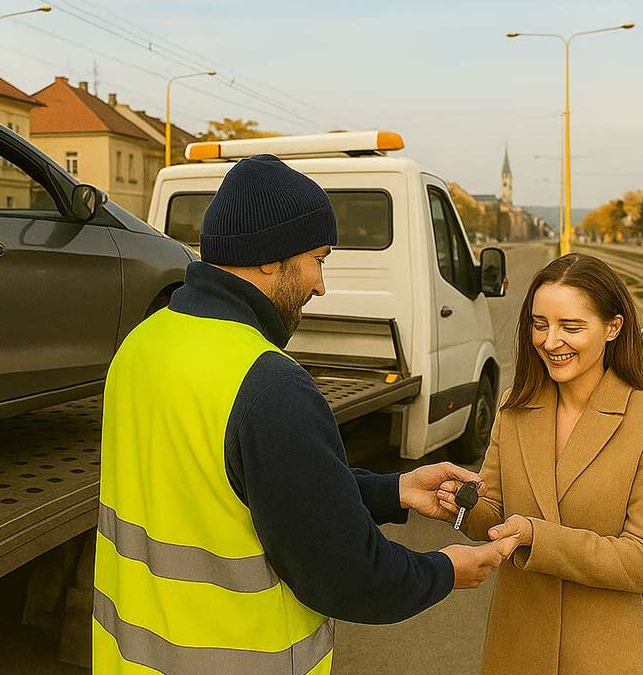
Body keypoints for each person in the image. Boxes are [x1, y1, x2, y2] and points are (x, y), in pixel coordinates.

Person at [93, 154, 518, 674]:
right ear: (271, 257)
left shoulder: (142, 343)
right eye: (319, 258)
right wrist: (445, 570)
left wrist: (395, 490)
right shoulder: (268, 384)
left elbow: (248, 492)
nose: (321, 284)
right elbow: (346, 574)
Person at [444, 253, 643, 675]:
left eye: (571, 327)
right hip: (517, 651)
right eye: (540, 324)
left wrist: (535, 537)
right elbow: (495, 513)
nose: (549, 341)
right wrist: (461, 503)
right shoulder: (514, 408)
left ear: (613, 327)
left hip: (611, 657)